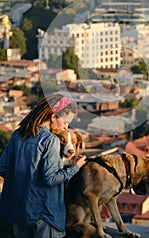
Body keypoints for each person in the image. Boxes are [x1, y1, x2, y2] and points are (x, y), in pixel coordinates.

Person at [0, 93, 86, 238]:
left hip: (19, 213)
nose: (66, 128)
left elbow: (2, 168)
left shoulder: (17, 135)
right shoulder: (50, 140)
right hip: (45, 215)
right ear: (53, 117)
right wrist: (76, 167)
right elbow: (50, 179)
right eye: (65, 122)